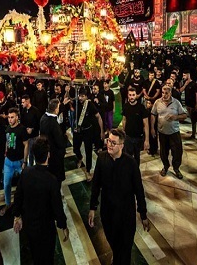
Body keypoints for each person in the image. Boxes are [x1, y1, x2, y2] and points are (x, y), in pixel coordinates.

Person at [88, 129, 149, 265]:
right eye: (108, 141)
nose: (109, 144)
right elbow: (96, 185)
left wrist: (143, 214)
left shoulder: (131, 163)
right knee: (113, 240)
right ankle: (116, 254)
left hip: (126, 213)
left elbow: (139, 190)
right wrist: (92, 208)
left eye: (113, 143)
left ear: (121, 145)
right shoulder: (102, 158)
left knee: (126, 248)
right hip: (108, 211)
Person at [13, 137, 68, 265]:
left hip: (30, 224)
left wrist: (17, 215)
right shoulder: (51, 180)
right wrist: (63, 225)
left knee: (35, 253)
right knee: (47, 255)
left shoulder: (25, 173)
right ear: (48, 155)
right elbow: (57, 207)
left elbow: (18, 195)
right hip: (46, 227)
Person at [151, 85, 188, 178]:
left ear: (170, 93)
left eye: (166, 93)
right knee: (163, 152)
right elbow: (153, 114)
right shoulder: (157, 102)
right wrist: (152, 128)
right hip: (162, 132)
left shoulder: (176, 103)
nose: (164, 95)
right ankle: (165, 166)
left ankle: (176, 168)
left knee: (177, 152)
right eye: (162, 93)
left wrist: (176, 117)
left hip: (174, 132)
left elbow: (184, 115)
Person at [0, 107, 28, 216]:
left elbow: (26, 145)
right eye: (9, 117)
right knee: (6, 184)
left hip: (19, 161)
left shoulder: (22, 129)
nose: (10, 119)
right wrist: (6, 151)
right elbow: (7, 141)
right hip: (8, 162)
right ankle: (8, 203)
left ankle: (26, 203)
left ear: (17, 117)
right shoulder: (7, 128)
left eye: (12, 117)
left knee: (24, 184)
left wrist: (25, 162)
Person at [74, 88, 104, 181]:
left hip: (88, 131)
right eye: (80, 96)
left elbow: (98, 117)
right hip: (78, 130)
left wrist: (102, 131)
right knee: (75, 148)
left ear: (86, 97)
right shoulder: (77, 103)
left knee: (88, 151)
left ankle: (88, 170)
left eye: (83, 96)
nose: (80, 98)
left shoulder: (90, 105)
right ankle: (79, 157)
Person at [39, 99, 67, 186]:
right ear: (56, 109)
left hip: (48, 153)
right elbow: (60, 142)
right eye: (58, 107)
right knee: (56, 178)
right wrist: (65, 138)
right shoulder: (53, 123)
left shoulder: (43, 117)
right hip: (55, 155)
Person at [121, 87, 150, 166]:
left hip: (138, 137)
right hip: (128, 137)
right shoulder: (125, 106)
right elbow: (124, 120)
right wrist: (123, 133)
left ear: (136, 95)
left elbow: (146, 124)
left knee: (137, 158)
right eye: (130, 95)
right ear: (128, 95)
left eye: (133, 95)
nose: (131, 97)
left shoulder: (141, 107)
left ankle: (136, 173)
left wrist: (147, 140)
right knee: (127, 157)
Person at [20, 95, 41, 166]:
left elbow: (39, 123)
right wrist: (25, 129)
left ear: (27, 101)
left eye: (23, 102)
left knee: (35, 153)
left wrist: (32, 129)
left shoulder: (35, 111)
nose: (22, 104)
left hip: (34, 136)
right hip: (26, 137)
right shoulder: (23, 110)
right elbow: (22, 122)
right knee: (29, 154)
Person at [180, 70, 197, 139]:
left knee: (193, 119)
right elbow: (180, 90)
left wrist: (196, 104)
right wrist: (185, 85)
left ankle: (194, 133)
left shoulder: (194, 84)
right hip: (187, 104)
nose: (183, 77)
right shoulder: (185, 83)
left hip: (192, 104)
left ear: (188, 75)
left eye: (184, 75)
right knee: (191, 118)